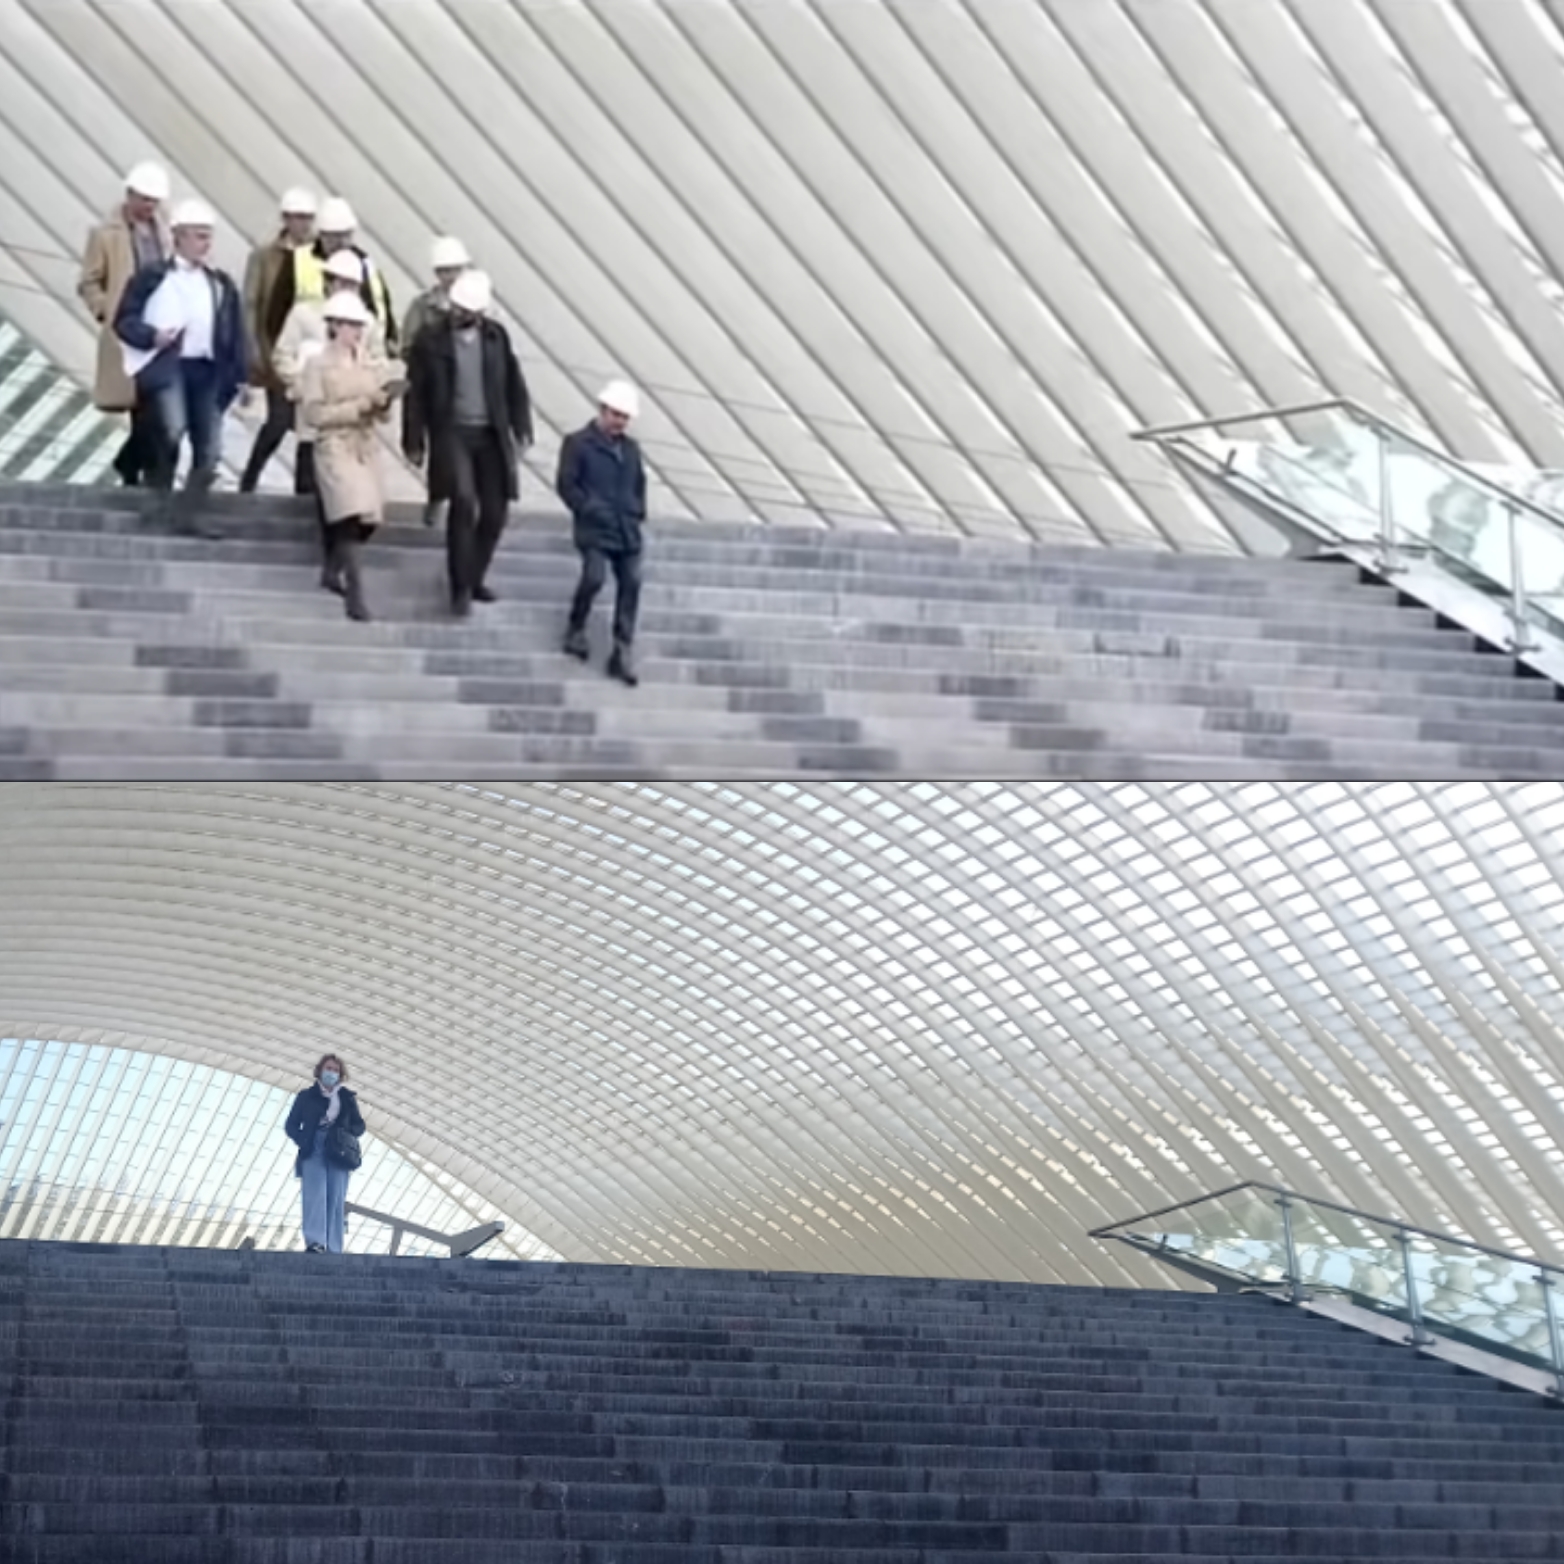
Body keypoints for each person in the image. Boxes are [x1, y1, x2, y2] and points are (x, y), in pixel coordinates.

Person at [402, 269, 533, 617]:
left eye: (467, 310)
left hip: (490, 433)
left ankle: (475, 577)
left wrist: (522, 427)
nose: (460, 314)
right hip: (452, 431)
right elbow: (415, 395)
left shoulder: (496, 339)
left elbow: (513, 384)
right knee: (462, 501)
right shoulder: (430, 341)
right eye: (457, 308)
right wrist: (413, 439)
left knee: (494, 511)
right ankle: (459, 586)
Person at [113, 198, 247, 538]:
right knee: (171, 430)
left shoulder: (220, 284)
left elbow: (234, 332)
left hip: (207, 368)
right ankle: (158, 500)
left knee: (211, 447)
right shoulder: (153, 277)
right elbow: (124, 320)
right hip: (170, 364)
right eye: (198, 236)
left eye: (208, 236)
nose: (205, 244)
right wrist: (151, 336)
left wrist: (240, 375)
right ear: (178, 237)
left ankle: (190, 512)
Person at [274, 250, 390, 591]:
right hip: (324, 430)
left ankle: (333, 564)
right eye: (339, 281)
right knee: (335, 501)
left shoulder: (368, 331)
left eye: (352, 283)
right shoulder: (304, 316)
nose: (345, 287)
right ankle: (345, 577)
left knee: (360, 510)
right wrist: (300, 384)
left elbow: (378, 369)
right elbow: (285, 358)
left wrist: (380, 398)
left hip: (359, 439)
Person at [299, 292, 404, 622]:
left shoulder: (369, 364)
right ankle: (355, 594)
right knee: (349, 510)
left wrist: (383, 402)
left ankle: (333, 569)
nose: (357, 332)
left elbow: (381, 412)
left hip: (364, 444)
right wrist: (356, 407)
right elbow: (314, 414)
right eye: (351, 325)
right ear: (335, 326)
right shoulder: (318, 365)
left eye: (359, 326)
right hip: (334, 445)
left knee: (369, 517)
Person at [77, 162, 171, 487]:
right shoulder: (106, 234)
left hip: (160, 330)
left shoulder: (167, 232)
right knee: (141, 406)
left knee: (159, 406)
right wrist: (106, 311)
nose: (149, 207)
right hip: (128, 329)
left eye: (154, 201)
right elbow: (89, 282)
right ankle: (140, 472)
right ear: (130, 195)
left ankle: (134, 464)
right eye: (144, 199)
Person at [556, 381, 648, 686]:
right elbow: (567, 484)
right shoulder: (578, 443)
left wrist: (636, 511)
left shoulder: (631, 449)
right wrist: (588, 509)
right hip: (595, 527)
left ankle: (622, 650)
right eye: (616, 414)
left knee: (632, 582)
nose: (620, 421)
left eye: (625, 417)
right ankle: (576, 626)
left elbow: (639, 484)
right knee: (594, 577)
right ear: (603, 410)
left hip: (626, 528)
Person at [238, 187, 317, 494]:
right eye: (298, 218)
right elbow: (251, 302)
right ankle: (252, 474)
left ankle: (303, 487)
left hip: (309, 347)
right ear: (286, 219)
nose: (303, 224)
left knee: (306, 423)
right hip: (277, 346)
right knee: (280, 418)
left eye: (307, 218)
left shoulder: (321, 255)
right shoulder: (265, 257)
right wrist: (254, 348)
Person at [262, 196, 396, 367]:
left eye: (345, 236)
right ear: (322, 235)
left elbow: (382, 311)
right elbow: (275, 317)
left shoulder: (365, 264)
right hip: (310, 364)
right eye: (334, 237)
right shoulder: (299, 260)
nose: (340, 242)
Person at [401, 236, 471, 529]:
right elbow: (407, 343)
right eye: (444, 271)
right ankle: (438, 498)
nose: (450, 277)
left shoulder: (477, 303)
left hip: (467, 390)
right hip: (433, 387)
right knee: (441, 449)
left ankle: (460, 501)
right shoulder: (423, 306)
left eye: (454, 270)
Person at [284, 1053, 365, 1255]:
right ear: (320, 1070)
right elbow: (291, 1124)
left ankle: (334, 1247)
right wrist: (303, 1139)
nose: (332, 1073)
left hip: (337, 1149)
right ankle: (315, 1242)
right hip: (314, 1147)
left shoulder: (346, 1097)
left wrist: (345, 1132)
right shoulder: (306, 1096)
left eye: (336, 1070)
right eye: (328, 1068)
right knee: (315, 1194)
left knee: (336, 1198)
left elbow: (360, 1125)